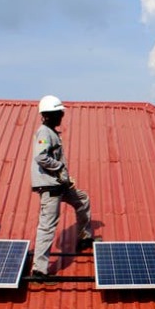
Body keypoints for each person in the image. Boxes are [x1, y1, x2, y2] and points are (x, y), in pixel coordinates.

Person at [30, 95, 97, 280]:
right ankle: (39, 268)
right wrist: (60, 168)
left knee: (82, 199)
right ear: (50, 115)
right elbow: (41, 157)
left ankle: (84, 237)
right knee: (48, 225)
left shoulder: (51, 132)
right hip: (50, 187)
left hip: (59, 184)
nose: (61, 116)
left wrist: (66, 178)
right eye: (59, 113)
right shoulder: (44, 132)